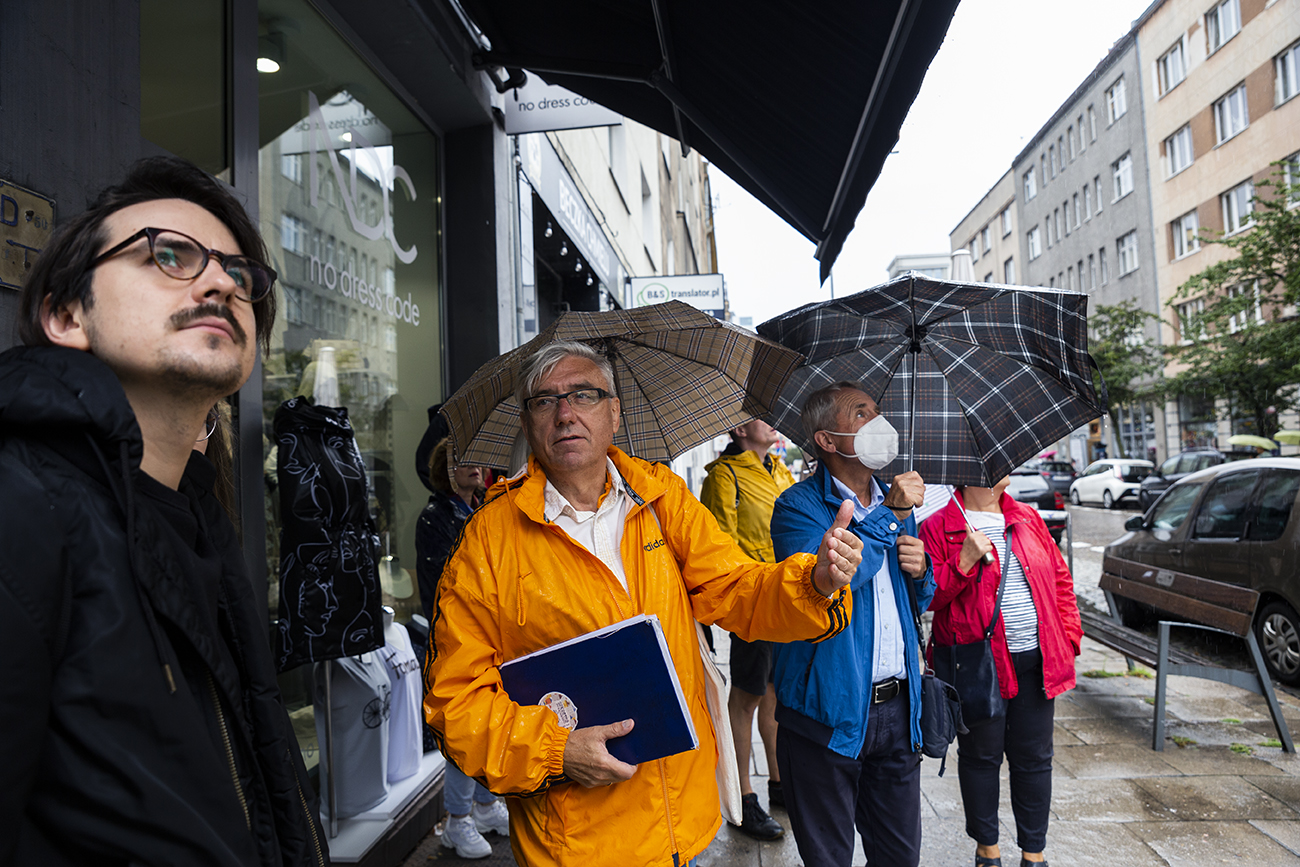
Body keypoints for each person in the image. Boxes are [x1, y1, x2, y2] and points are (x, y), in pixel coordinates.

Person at [423, 340, 864, 867]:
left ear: (614, 412)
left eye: (584, 395)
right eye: (545, 401)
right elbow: (455, 701)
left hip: (689, 828)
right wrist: (555, 750)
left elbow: (737, 590)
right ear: (527, 420)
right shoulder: (488, 540)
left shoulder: (661, 499)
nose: (565, 413)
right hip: (578, 846)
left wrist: (812, 583)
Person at [0, 156, 325, 865]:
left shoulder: (201, 524)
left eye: (239, 275)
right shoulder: (20, 502)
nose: (219, 283)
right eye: (168, 255)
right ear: (65, 314)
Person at [769, 382, 934, 867]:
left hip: (898, 711)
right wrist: (891, 517)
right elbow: (829, 585)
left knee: (900, 857)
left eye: (877, 411)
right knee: (829, 859)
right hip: (825, 716)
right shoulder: (797, 507)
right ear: (827, 439)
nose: (877, 422)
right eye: (861, 413)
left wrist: (922, 571)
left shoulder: (893, 502)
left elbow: (915, 601)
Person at [919, 477, 1082, 867]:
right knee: (981, 756)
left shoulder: (1027, 518)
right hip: (978, 664)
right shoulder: (938, 526)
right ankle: (987, 851)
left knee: (1035, 757)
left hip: (1037, 661)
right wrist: (963, 562)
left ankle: (1034, 853)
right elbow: (929, 596)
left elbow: (1060, 580)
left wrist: (1069, 638)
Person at [698, 419, 794, 840]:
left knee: (772, 692)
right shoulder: (725, 475)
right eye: (760, 418)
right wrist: (755, 588)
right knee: (747, 696)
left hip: (786, 596)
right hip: (753, 599)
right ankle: (743, 798)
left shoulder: (779, 468)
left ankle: (778, 784)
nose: (771, 425)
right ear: (738, 431)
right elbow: (720, 545)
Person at [414, 436, 508, 858]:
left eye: (476, 460)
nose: (473, 467)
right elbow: (444, 584)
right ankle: (457, 819)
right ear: (444, 470)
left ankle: (485, 806)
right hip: (457, 637)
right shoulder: (435, 516)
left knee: (492, 721)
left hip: (491, 632)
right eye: (461, 461)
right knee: (464, 730)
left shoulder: (485, 506)